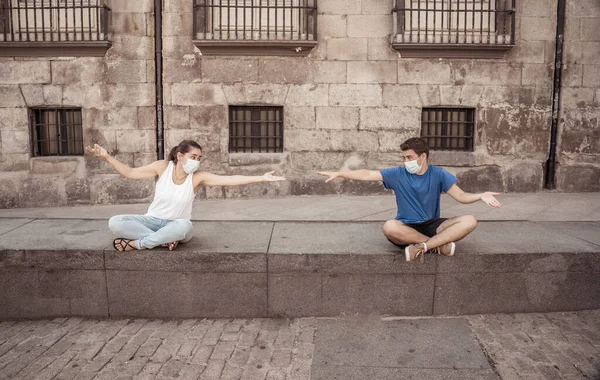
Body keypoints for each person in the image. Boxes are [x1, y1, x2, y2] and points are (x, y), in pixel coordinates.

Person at [317, 137, 501, 262]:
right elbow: (367, 173)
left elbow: (461, 196)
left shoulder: (438, 174)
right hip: (406, 227)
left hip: (433, 225)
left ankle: (423, 247)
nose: (406, 161)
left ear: (423, 156)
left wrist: (480, 195)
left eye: (409, 157)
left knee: (470, 220)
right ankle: (438, 245)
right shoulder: (397, 174)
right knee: (389, 227)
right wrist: (340, 173)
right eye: (404, 157)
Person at [85, 140, 286, 252]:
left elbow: (230, 179)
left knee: (184, 227)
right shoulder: (162, 167)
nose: (197, 161)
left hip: (177, 225)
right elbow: (129, 172)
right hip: (151, 221)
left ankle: (138, 244)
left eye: (199, 158)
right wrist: (106, 156)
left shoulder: (197, 177)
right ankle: (163, 241)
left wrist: (261, 177)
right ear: (180, 156)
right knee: (115, 222)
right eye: (193, 157)